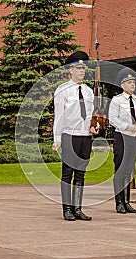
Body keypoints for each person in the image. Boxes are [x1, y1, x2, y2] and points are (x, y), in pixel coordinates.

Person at [52, 51, 99, 221]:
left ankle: (77, 208)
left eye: (83, 68)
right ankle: (67, 209)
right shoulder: (63, 90)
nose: (82, 71)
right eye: (78, 68)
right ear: (70, 70)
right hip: (69, 135)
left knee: (81, 173)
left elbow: (90, 114)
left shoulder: (87, 91)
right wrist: (57, 138)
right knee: (68, 173)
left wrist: (95, 127)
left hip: (85, 136)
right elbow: (59, 115)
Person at [108, 67, 136, 214]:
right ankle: (119, 202)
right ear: (122, 85)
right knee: (120, 170)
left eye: (133, 82)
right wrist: (128, 127)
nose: (132, 84)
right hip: (122, 136)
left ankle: (127, 201)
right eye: (129, 82)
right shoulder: (117, 100)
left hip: (134, 139)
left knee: (129, 170)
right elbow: (112, 119)